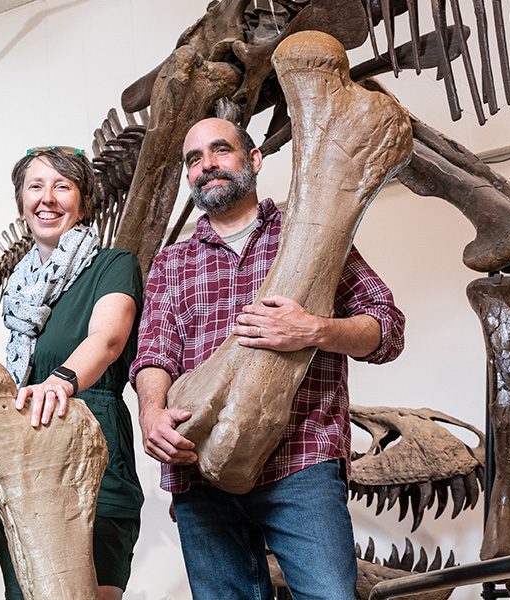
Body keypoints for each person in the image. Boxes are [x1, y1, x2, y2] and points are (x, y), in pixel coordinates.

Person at [131, 117, 405, 599]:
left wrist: (315, 329)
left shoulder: (313, 236)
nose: (207, 165)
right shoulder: (172, 262)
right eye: (194, 159)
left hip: (301, 462)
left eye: (220, 150)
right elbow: (154, 353)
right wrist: (152, 412)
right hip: (198, 468)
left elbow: (386, 327)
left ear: (253, 160)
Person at [0, 146, 144, 600]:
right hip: (24, 459)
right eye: (35, 187)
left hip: (92, 441)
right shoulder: (19, 293)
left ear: (83, 200)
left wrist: (63, 380)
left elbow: (107, 339)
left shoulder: (112, 265)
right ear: (21, 203)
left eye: (62, 186)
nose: (47, 198)